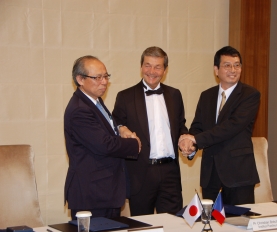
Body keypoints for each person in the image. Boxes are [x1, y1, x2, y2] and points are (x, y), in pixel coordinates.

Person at [179, 46, 261, 205]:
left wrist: (195, 139)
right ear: (216, 70)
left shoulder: (250, 95)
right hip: (211, 176)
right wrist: (190, 146)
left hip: (239, 175)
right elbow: (198, 126)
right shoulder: (206, 95)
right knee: (211, 225)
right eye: (227, 65)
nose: (233, 69)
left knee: (239, 225)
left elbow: (231, 126)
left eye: (237, 65)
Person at [112, 46, 188, 216]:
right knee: (142, 228)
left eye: (157, 66)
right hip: (140, 173)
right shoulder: (125, 96)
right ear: (141, 67)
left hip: (170, 173)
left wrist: (186, 139)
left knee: (174, 228)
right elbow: (115, 125)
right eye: (147, 65)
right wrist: (121, 129)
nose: (151, 71)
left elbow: (180, 125)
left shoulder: (175, 95)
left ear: (165, 70)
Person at [64, 55, 141, 220]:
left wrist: (120, 128)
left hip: (105, 191)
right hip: (92, 194)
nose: (104, 82)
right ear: (80, 79)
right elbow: (104, 145)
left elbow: (106, 130)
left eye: (106, 76)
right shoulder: (80, 110)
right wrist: (134, 145)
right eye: (97, 77)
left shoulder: (95, 102)